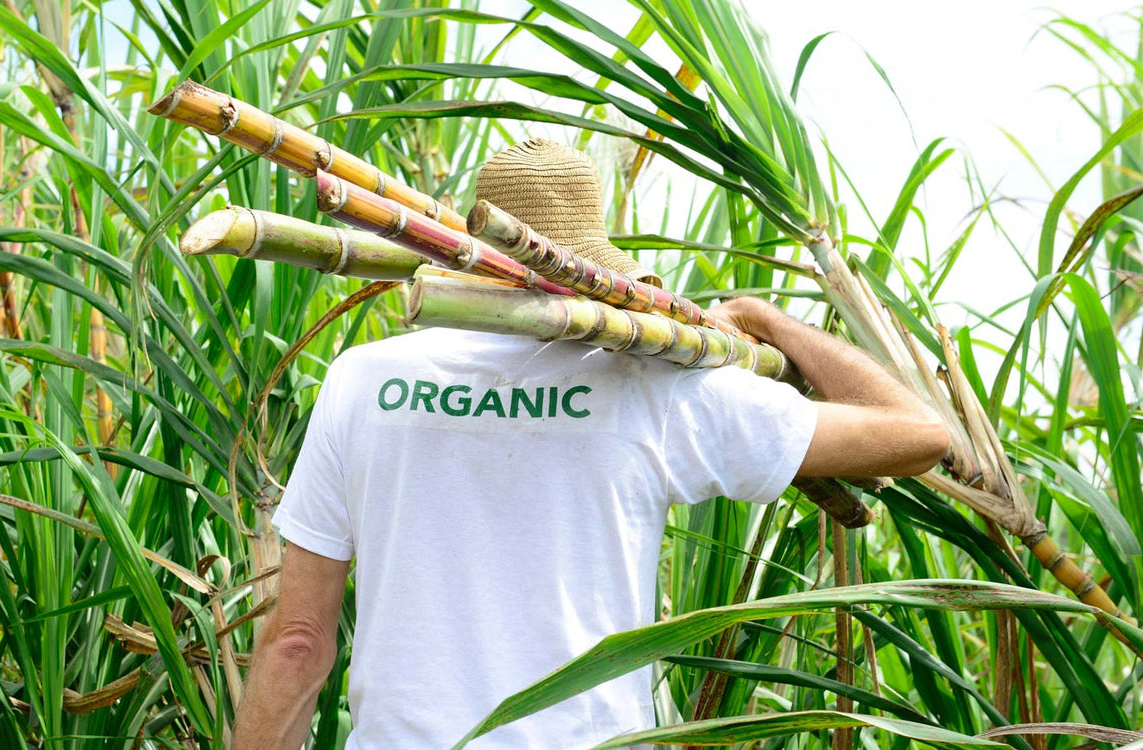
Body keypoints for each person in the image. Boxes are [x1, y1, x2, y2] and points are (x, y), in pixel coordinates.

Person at [232, 139, 950, 749]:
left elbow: (297, 641)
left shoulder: (363, 381)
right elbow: (920, 435)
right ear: (593, 267)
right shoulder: (658, 389)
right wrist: (769, 320)